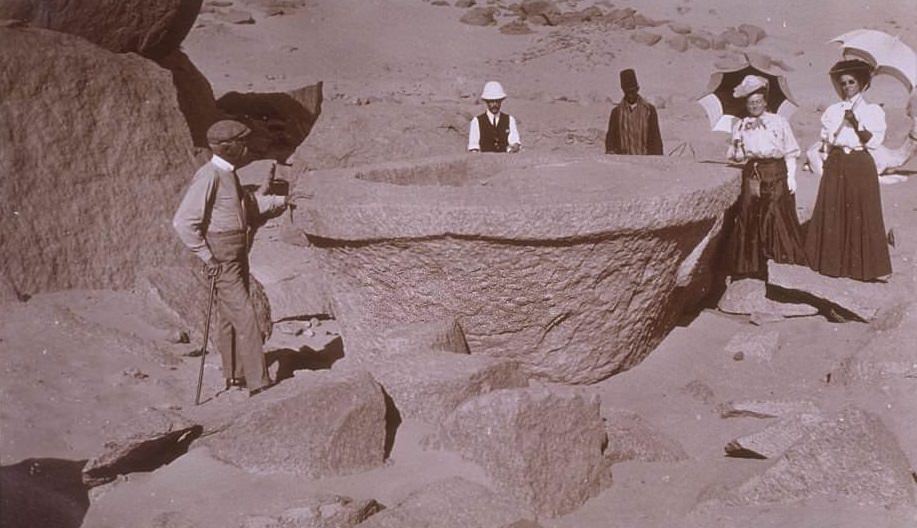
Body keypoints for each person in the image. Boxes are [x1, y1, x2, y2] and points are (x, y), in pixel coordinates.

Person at [172, 120, 289, 396]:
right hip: (222, 256)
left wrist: (281, 202)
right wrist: (206, 256)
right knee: (247, 316)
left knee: (229, 316)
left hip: (236, 251)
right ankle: (258, 381)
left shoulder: (229, 174)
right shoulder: (209, 175)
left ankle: (234, 374)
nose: (247, 148)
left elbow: (248, 206)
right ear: (228, 147)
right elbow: (183, 222)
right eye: (242, 143)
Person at [805, 59, 891, 281]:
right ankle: (832, 264)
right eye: (843, 83)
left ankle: (861, 268)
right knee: (833, 208)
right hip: (836, 162)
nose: (846, 87)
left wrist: (855, 122)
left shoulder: (872, 111)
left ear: (862, 84)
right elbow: (826, 140)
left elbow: (873, 142)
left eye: (851, 82)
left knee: (861, 211)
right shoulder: (834, 110)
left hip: (860, 163)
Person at [723, 75, 807, 277]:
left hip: (776, 171)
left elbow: (790, 151)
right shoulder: (741, 125)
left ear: (765, 102)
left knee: (775, 212)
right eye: (750, 103)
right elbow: (737, 158)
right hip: (753, 173)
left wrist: (791, 177)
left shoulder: (779, 122)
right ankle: (752, 266)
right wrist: (736, 143)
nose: (754, 106)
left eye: (758, 102)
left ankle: (781, 262)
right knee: (750, 213)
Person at [605, 69, 663, 155]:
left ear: (637, 89)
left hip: (646, 163)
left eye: (632, 91)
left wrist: (656, 161)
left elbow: (656, 139)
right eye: (627, 92)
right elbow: (611, 140)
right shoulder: (616, 112)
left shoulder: (649, 110)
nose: (630, 95)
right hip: (623, 164)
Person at [468, 81, 521, 153]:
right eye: (491, 101)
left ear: (501, 101)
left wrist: (514, 147)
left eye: (497, 101)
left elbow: (515, 142)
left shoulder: (509, 120)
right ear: (486, 102)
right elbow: (474, 147)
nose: (494, 104)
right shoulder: (476, 121)